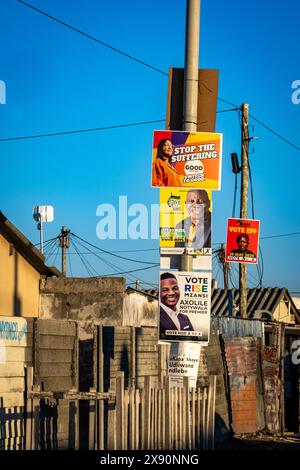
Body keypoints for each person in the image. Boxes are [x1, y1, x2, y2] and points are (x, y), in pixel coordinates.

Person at [159, 272, 194, 341]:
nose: (171, 293)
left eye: (175, 288)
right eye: (165, 290)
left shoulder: (185, 318)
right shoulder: (157, 317)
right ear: (159, 292)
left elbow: (194, 340)